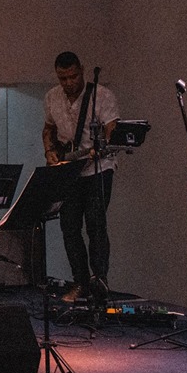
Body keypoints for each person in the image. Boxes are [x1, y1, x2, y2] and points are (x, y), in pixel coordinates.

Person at [42, 51, 119, 303]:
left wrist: (102, 146)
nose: (68, 83)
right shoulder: (52, 97)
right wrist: (50, 151)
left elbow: (112, 131)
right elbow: (48, 129)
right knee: (69, 226)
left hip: (98, 168)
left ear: (82, 70)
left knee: (96, 224)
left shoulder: (102, 96)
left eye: (73, 76)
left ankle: (100, 280)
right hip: (69, 168)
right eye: (62, 78)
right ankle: (80, 282)